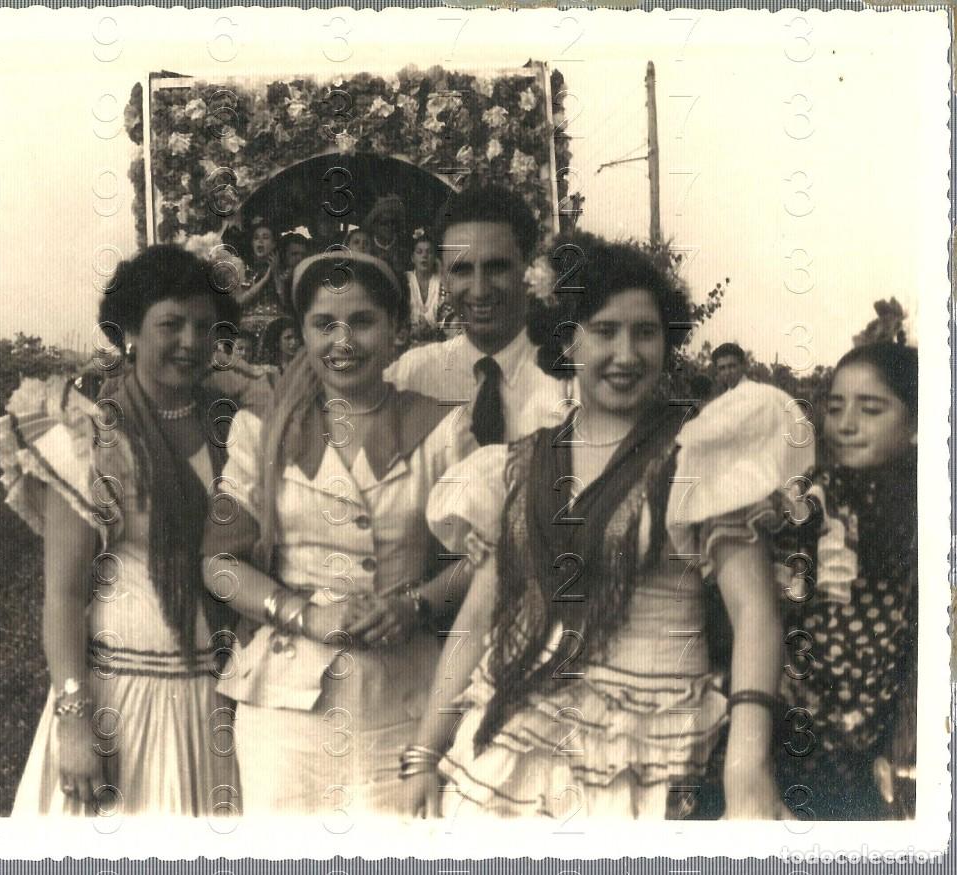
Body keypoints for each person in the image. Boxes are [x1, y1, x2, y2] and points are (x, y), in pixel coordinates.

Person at [400, 236, 811, 821]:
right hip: (511, 747)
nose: (626, 353)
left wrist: (747, 766)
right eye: (604, 330)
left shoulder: (699, 454)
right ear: (569, 340)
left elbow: (755, 614)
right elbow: (476, 618)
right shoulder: (520, 464)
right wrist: (424, 753)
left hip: (648, 755)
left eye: (645, 332)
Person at [200, 251, 477, 815]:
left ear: (397, 330)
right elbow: (219, 565)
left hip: (402, 699)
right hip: (286, 705)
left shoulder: (445, 427)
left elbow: (484, 558)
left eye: (364, 321)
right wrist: (304, 615)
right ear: (303, 332)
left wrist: (418, 606)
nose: (343, 341)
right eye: (324, 324)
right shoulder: (265, 431)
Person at [0, 244, 241, 816]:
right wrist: (74, 722)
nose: (191, 342)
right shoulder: (94, 437)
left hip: (217, 696)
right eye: (170, 324)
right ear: (129, 329)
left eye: (205, 327)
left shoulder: (234, 426)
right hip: (122, 701)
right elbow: (64, 594)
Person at [775, 342, 918, 819]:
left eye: (870, 409)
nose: (846, 424)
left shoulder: (927, 507)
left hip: (876, 739)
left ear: (916, 421)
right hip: (798, 724)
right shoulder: (821, 490)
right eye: (835, 408)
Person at [385, 182, 572, 444]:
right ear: (444, 275)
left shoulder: (567, 381)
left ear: (530, 266)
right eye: (461, 270)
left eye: (497, 268)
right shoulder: (412, 375)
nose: (480, 290)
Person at [235, 217, 288, 339]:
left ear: (274, 243)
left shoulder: (284, 270)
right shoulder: (246, 270)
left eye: (265, 237)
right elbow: (239, 302)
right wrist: (265, 279)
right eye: (256, 238)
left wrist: (275, 274)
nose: (260, 242)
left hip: (275, 328)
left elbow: (285, 301)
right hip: (248, 332)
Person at [206, 330, 276, 410]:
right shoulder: (221, 370)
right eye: (239, 349)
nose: (244, 353)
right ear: (230, 350)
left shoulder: (258, 371)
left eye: (248, 350)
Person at [404, 229, 443, 328]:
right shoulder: (404, 280)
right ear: (412, 258)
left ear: (434, 258)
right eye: (419, 252)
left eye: (429, 252)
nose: (424, 256)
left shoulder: (442, 282)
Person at [364, 194, 410, 275]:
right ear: (375, 226)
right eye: (384, 223)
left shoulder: (406, 247)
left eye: (393, 222)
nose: (390, 226)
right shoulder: (366, 246)